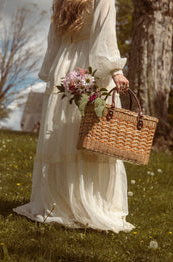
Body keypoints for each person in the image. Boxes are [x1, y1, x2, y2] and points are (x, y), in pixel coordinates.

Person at [13, 0, 135, 233]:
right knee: (91, 136)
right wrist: (115, 71)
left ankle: (60, 201)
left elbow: (55, 38)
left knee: (65, 136)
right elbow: (104, 34)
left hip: (64, 66)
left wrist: (51, 69)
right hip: (90, 65)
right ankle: (87, 200)